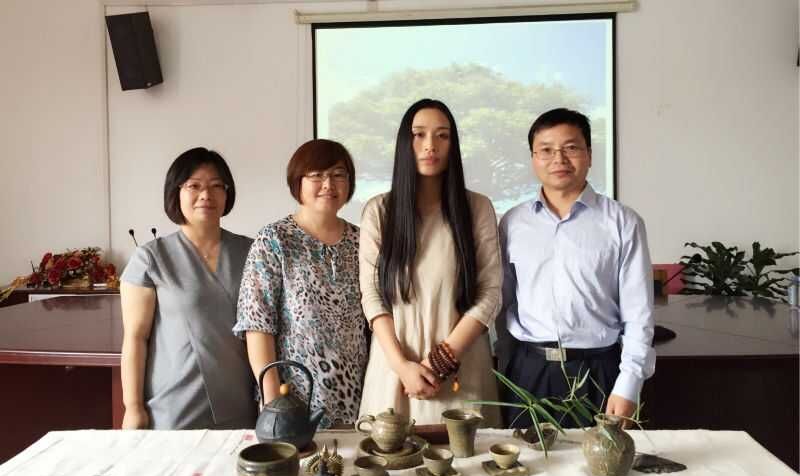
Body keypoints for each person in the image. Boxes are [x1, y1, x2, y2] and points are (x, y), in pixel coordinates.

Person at [496, 108, 655, 428]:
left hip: (599, 373)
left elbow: (639, 314)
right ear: (533, 158)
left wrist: (628, 385)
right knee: (526, 460)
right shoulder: (512, 222)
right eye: (546, 150)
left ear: (589, 155)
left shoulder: (623, 222)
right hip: (529, 373)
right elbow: (504, 300)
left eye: (571, 148)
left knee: (601, 461)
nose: (559, 159)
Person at [358, 99, 501, 426]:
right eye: (419, 134)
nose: (430, 145)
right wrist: (403, 367)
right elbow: (372, 295)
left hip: (462, 370)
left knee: (467, 456)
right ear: (404, 143)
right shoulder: (379, 212)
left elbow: (490, 292)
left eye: (442, 136)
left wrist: (438, 362)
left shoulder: (477, 208)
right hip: (395, 372)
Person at [120, 147, 256, 429]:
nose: (206, 195)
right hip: (174, 406)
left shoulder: (252, 252)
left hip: (241, 401)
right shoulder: (151, 258)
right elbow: (136, 337)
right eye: (194, 186)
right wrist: (133, 407)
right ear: (176, 192)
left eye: (216, 186)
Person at [234, 139, 367, 429]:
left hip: (358, 399)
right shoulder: (274, 239)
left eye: (338, 174)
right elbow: (257, 324)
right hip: (293, 402)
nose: (328, 184)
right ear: (298, 181)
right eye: (316, 175)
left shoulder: (363, 241)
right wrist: (272, 402)